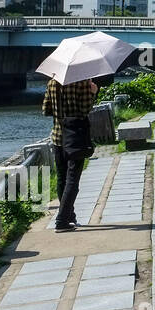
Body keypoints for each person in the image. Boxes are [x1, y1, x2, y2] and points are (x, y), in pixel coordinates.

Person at [41, 75, 98, 233]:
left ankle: (69, 215)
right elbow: (85, 110)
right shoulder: (81, 82)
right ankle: (61, 220)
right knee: (73, 180)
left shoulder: (52, 83)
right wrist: (93, 92)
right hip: (75, 138)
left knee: (62, 178)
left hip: (58, 137)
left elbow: (46, 110)